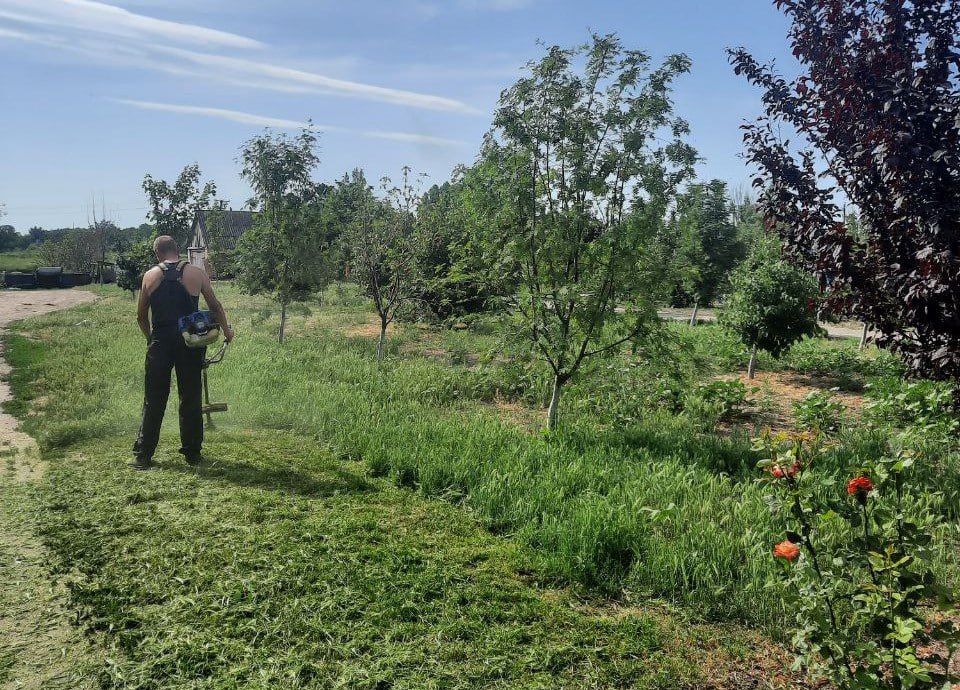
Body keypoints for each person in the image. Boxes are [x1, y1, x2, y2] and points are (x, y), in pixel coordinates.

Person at [131, 236, 235, 470]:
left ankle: (143, 455)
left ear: (158, 253)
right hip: (190, 341)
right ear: (176, 251)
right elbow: (215, 306)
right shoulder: (196, 273)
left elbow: (140, 316)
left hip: (160, 342)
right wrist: (227, 332)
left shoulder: (149, 276)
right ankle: (192, 453)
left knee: (154, 398)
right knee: (190, 396)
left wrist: (152, 341)